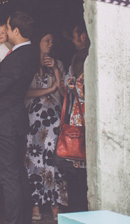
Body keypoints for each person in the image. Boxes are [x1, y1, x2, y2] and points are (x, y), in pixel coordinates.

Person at [0, 12, 39, 224]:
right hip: (15, 118)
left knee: (9, 176)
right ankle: (24, 219)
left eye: (7, 27)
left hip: (5, 120)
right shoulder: (28, 53)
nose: (4, 31)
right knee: (18, 172)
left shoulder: (17, 56)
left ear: (16, 30)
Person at [25, 34, 66, 223]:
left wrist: (56, 70)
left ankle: (54, 204)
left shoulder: (57, 63)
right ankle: (35, 204)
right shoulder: (30, 63)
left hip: (53, 121)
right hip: (34, 120)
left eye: (52, 41)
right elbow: (26, 92)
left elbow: (65, 92)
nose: (50, 44)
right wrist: (50, 89)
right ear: (38, 43)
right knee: (34, 160)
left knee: (52, 160)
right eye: (46, 40)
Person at [57, 25, 88, 214]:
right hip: (84, 118)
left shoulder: (81, 59)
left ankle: (77, 210)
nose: (73, 39)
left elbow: (69, 91)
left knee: (77, 172)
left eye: (75, 36)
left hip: (78, 119)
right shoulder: (83, 57)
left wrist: (71, 83)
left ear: (83, 36)